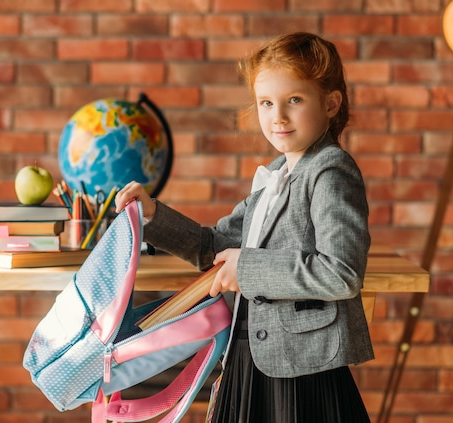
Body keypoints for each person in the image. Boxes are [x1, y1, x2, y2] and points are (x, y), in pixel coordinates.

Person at [115, 32, 373, 423]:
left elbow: (341, 273)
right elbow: (214, 246)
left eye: (295, 100)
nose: (278, 116)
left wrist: (246, 269)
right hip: (251, 355)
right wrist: (152, 215)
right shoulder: (274, 175)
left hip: (300, 371)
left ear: (331, 103)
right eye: (266, 103)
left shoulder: (330, 170)